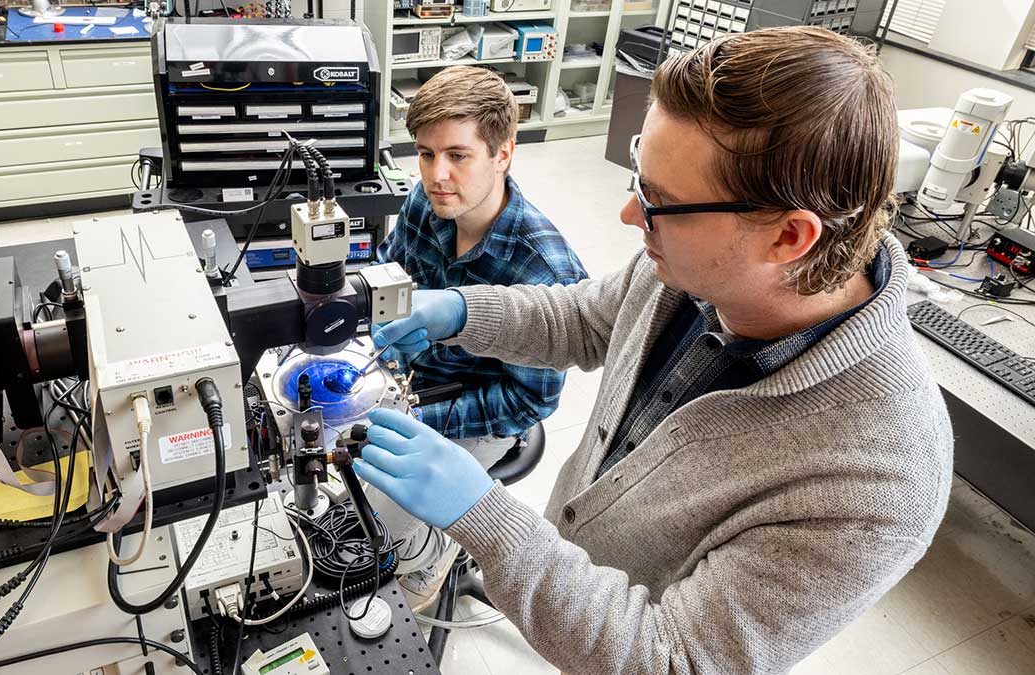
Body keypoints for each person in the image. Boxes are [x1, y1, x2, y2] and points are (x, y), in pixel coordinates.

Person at [354, 27, 954, 674]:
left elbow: (673, 660)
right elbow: (584, 318)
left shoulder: (877, 478)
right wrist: (463, 311)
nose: (628, 216)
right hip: (574, 574)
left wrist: (488, 520)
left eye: (660, 202)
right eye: (641, 180)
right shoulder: (688, 271)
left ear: (788, 236)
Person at [369, 65, 588, 609]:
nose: (437, 174)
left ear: (503, 154)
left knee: (382, 525)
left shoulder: (542, 269)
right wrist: (374, 323)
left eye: (458, 155)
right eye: (425, 153)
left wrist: (421, 423)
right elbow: (389, 269)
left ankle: (430, 554)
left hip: (481, 413)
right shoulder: (427, 202)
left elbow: (527, 402)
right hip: (411, 380)